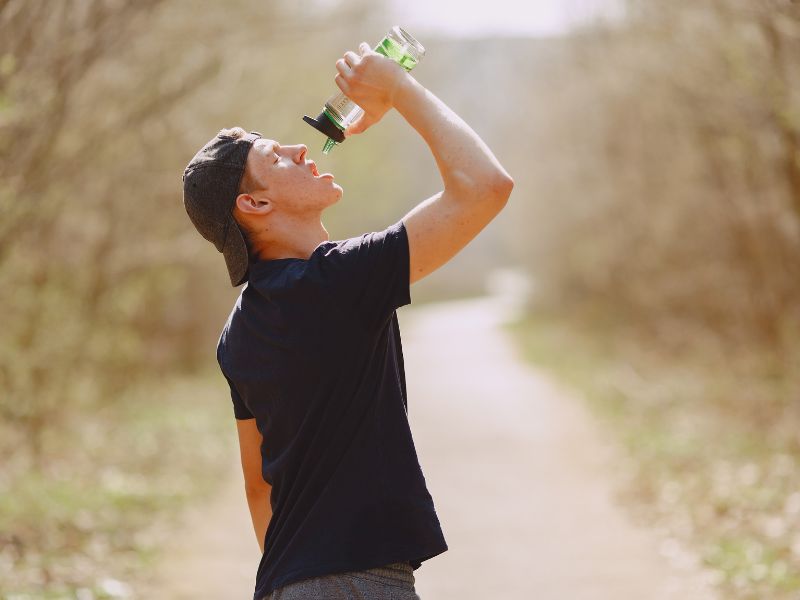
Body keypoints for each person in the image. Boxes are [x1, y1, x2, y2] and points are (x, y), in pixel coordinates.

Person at [181, 41, 513, 600]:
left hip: (287, 582)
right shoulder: (337, 283)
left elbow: (260, 488)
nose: (297, 147)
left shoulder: (238, 332)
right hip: (357, 583)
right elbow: (486, 186)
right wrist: (399, 90)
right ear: (255, 207)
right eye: (274, 157)